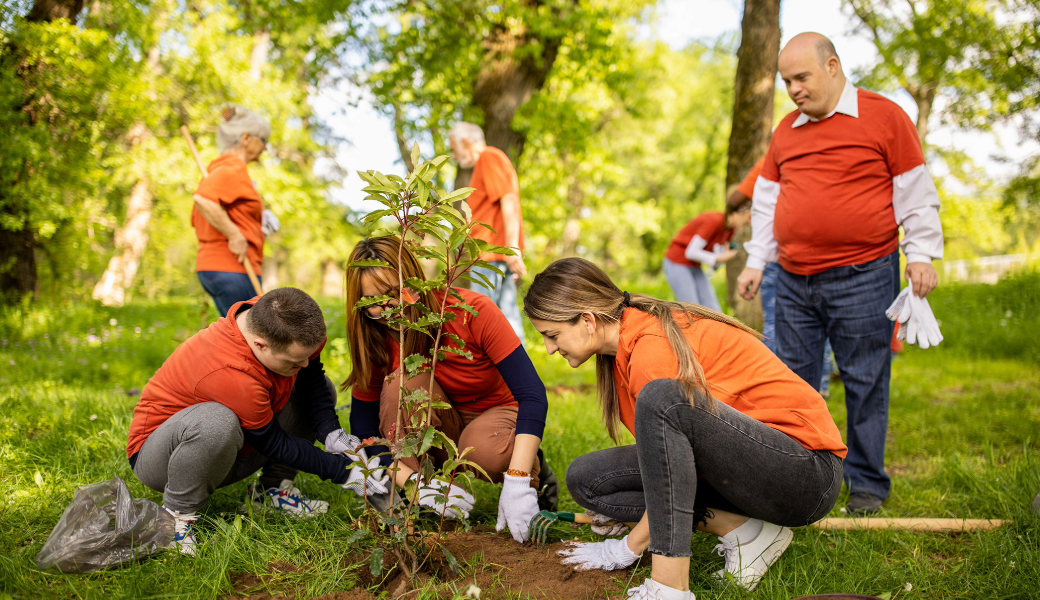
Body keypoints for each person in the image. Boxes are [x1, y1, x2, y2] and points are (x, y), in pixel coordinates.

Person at [523, 258, 847, 599]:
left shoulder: (650, 349)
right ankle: (746, 534)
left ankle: (669, 586)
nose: (549, 348)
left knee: (663, 397)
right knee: (588, 478)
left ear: (587, 320)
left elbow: (671, 466)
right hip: (747, 469)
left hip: (804, 475)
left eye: (552, 334)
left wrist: (627, 548)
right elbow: (669, 464)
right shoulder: (622, 352)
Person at [736, 33, 944, 515]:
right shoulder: (786, 129)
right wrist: (755, 262)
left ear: (832, 66)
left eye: (801, 77)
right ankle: (800, 481)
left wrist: (921, 254)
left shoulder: (884, 116)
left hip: (864, 274)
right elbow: (767, 202)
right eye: (786, 81)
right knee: (792, 383)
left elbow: (914, 190)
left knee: (865, 378)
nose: (793, 89)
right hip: (791, 279)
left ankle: (867, 485)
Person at [126, 288, 381, 555]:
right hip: (162, 457)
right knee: (217, 422)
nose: (305, 363)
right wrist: (344, 471)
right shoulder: (231, 372)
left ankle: (271, 491)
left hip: (232, 443)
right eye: (294, 361)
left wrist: (331, 432)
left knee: (321, 388)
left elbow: (312, 378)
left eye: (309, 354)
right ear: (260, 344)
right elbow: (274, 443)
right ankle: (174, 519)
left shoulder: (279, 317)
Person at [341, 236, 558, 542]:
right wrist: (412, 480)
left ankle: (533, 469)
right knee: (399, 384)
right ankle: (424, 506)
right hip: (437, 425)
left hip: (494, 416)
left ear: (415, 281)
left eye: (393, 294)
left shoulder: (471, 311)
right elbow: (363, 428)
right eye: (372, 303)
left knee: (484, 449)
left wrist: (518, 481)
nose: (387, 310)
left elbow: (532, 394)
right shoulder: (374, 339)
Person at [192, 104, 280, 317]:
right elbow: (203, 199)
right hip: (234, 268)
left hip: (220, 268)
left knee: (244, 338)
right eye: (264, 140)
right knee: (250, 343)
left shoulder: (219, 170)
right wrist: (234, 234)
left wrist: (257, 221)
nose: (266, 148)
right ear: (247, 138)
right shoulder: (233, 167)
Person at [448, 122, 526, 339]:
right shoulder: (492, 159)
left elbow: (508, 199)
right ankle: (516, 373)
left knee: (482, 320)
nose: (454, 156)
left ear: (465, 142)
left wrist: (511, 248)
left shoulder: (488, 158)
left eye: (454, 149)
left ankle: (490, 372)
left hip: (491, 257)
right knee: (506, 319)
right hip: (495, 257)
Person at [662, 204, 750, 311]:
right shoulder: (714, 221)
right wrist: (719, 259)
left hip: (695, 265)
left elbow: (715, 263)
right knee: (692, 308)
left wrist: (723, 258)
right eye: (748, 217)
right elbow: (691, 252)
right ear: (737, 213)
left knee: (713, 308)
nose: (749, 222)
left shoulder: (730, 230)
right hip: (677, 261)